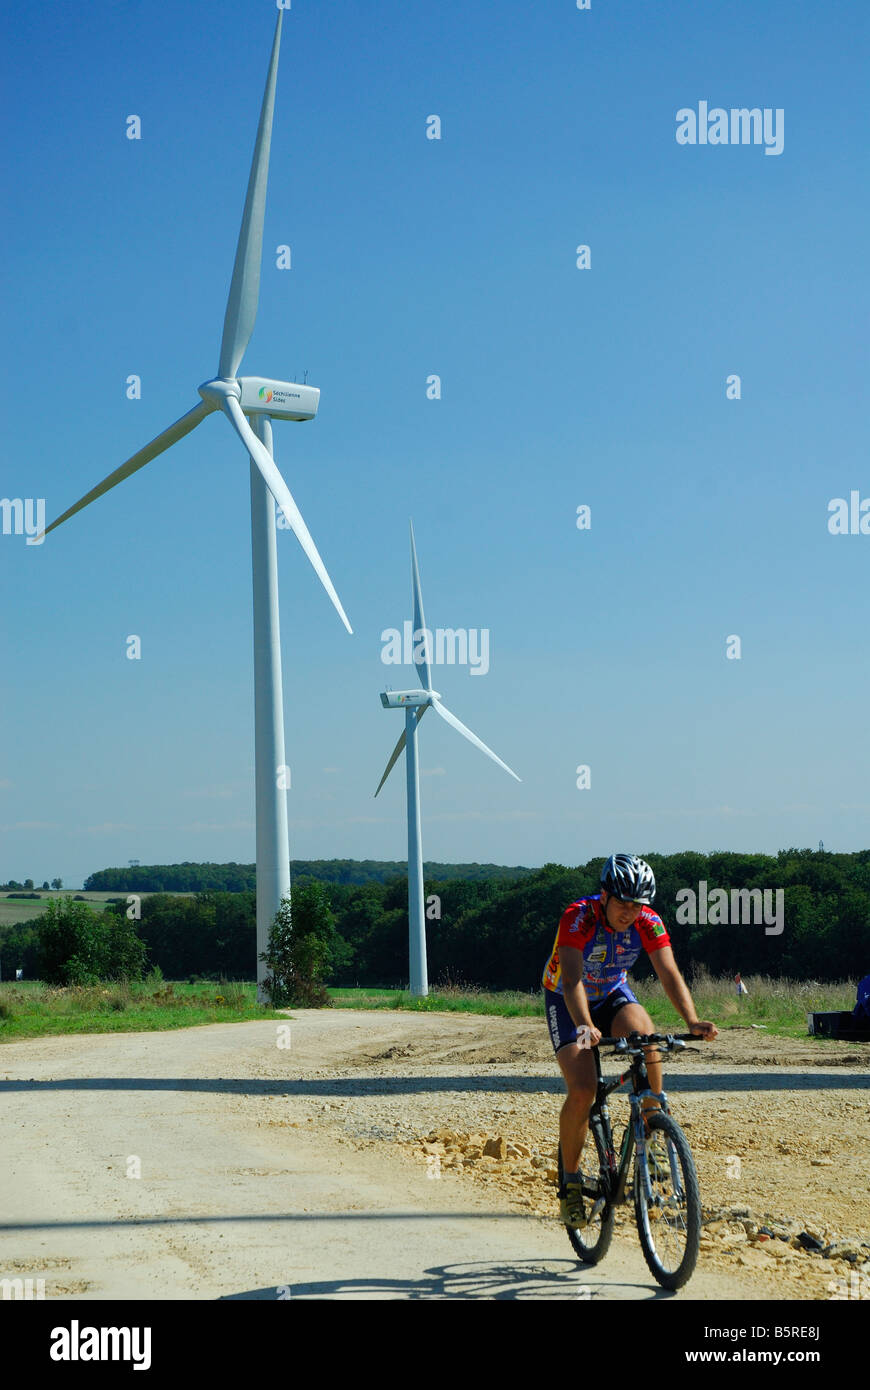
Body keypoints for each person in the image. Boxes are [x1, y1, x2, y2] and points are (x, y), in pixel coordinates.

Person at [542, 853, 718, 1227]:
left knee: (647, 1038)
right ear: (604, 896)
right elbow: (571, 980)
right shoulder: (579, 918)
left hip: (612, 992)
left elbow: (668, 972)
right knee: (583, 1089)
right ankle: (571, 1184)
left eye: (636, 904)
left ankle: (650, 1128)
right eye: (622, 903)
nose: (629, 912)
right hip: (566, 998)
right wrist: (585, 1026)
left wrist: (692, 1019)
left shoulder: (648, 922)